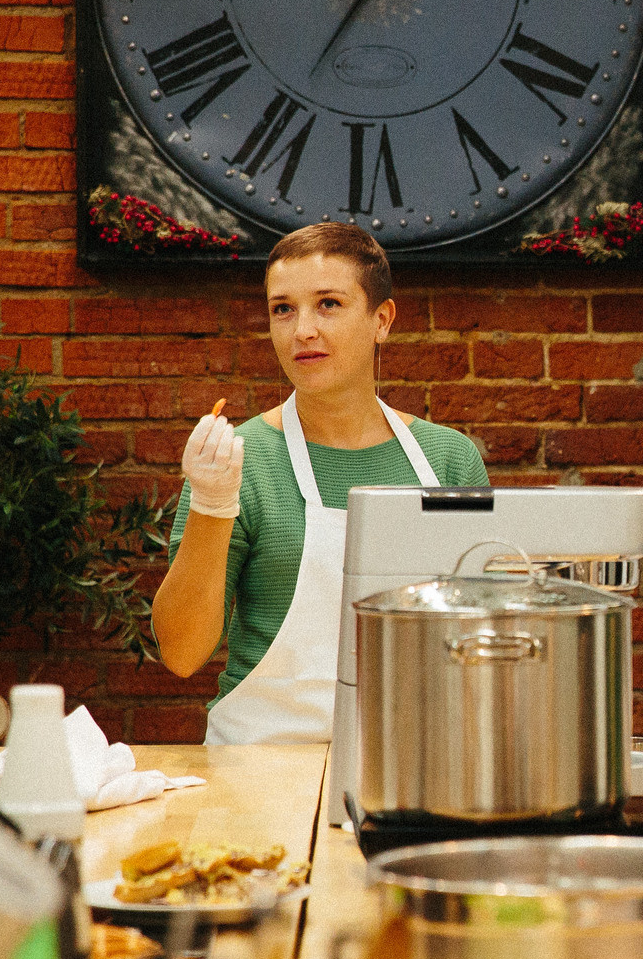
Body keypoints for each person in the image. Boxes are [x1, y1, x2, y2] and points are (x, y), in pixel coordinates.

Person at [154, 223, 488, 746]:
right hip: (260, 763)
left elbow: (483, 632)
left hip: (416, 758)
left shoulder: (448, 459)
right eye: (283, 309)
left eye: (328, 304)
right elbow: (180, 652)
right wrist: (212, 505)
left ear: (382, 320)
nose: (302, 330)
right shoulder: (240, 461)